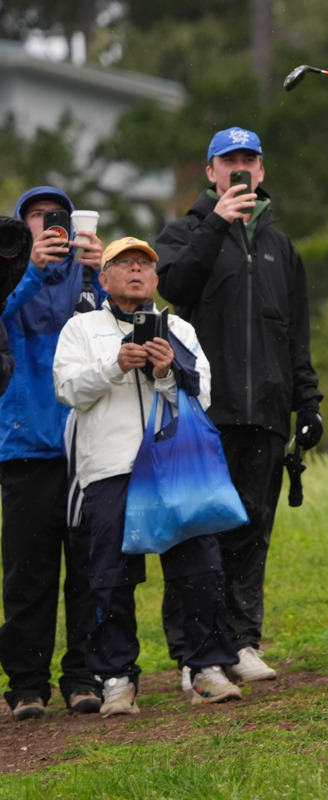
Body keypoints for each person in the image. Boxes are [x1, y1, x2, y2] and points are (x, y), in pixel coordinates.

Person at [155, 127, 324, 691]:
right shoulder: (184, 231)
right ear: (210, 172)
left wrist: (309, 402)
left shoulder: (281, 245)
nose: (240, 167)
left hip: (268, 409)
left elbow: (296, 332)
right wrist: (218, 223)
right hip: (205, 408)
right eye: (229, 160)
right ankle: (194, 652)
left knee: (253, 531)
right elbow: (175, 283)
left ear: (262, 169)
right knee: (198, 533)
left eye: (249, 158)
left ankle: (243, 640)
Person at [53, 236, 244, 716]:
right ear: (104, 277)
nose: (136, 271)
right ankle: (117, 677)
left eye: (145, 264)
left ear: (156, 279)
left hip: (176, 467)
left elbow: (202, 396)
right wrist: (114, 364)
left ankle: (205, 668)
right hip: (111, 469)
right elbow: (68, 390)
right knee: (110, 579)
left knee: (200, 568)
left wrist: (165, 370)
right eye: (124, 263)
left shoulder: (178, 326)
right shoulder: (81, 327)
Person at [0, 187, 105, 720]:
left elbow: (113, 338)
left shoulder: (85, 279)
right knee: (27, 574)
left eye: (57, 218)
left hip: (85, 447)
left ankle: (83, 676)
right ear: (22, 229)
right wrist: (32, 270)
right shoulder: (10, 276)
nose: (50, 226)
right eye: (37, 219)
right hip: (23, 447)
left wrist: (100, 274)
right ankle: (26, 684)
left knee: (88, 570)